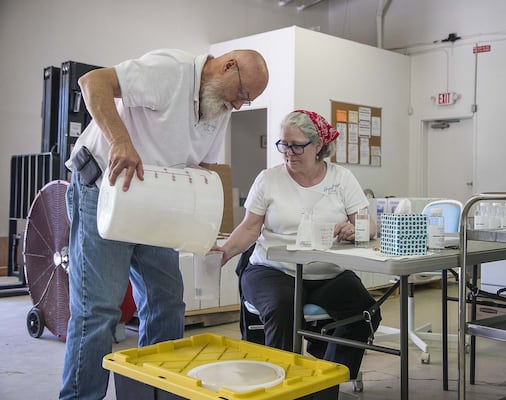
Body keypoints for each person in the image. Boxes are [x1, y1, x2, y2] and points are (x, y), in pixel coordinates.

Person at [59, 48, 269, 400]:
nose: (240, 104)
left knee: (167, 303)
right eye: (244, 93)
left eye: (247, 100)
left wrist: (196, 226)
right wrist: (121, 142)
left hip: (153, 200)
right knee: (99, 310)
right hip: (104, 189)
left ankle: (152, 392)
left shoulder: (219, 106)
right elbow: (92, 82)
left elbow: (201, 166)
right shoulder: (170, 70)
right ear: (228, 65)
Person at [214, 110, 381, 380]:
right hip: (273, 269)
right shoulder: (269, 179)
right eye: (283, 144)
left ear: (318, 146)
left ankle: (327, 376)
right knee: (283, 306)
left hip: (327, 272)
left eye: (296, 146)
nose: (288, 152)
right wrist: (224, 251)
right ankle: (281, 383)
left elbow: (368, 225)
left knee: (366, 312)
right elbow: (249, 227)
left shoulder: (342, 179)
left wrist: (356, 229)